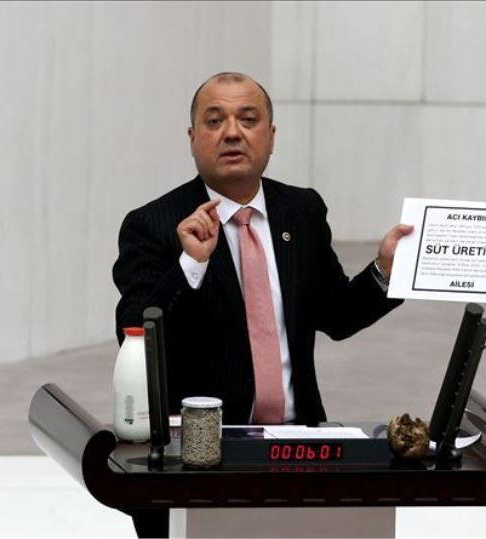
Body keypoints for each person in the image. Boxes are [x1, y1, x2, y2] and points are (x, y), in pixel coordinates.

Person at [113, 72, 413, 425]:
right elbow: (136, 338)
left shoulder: (301, 211)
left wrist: (384, 270)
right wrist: (191, 263)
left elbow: (336, 316)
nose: (232, 133)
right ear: (192, 139)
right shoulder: (154, 224)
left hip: (298, 437)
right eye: (215, 121)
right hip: (206, 441)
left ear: (271, 137)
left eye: (248, 120)